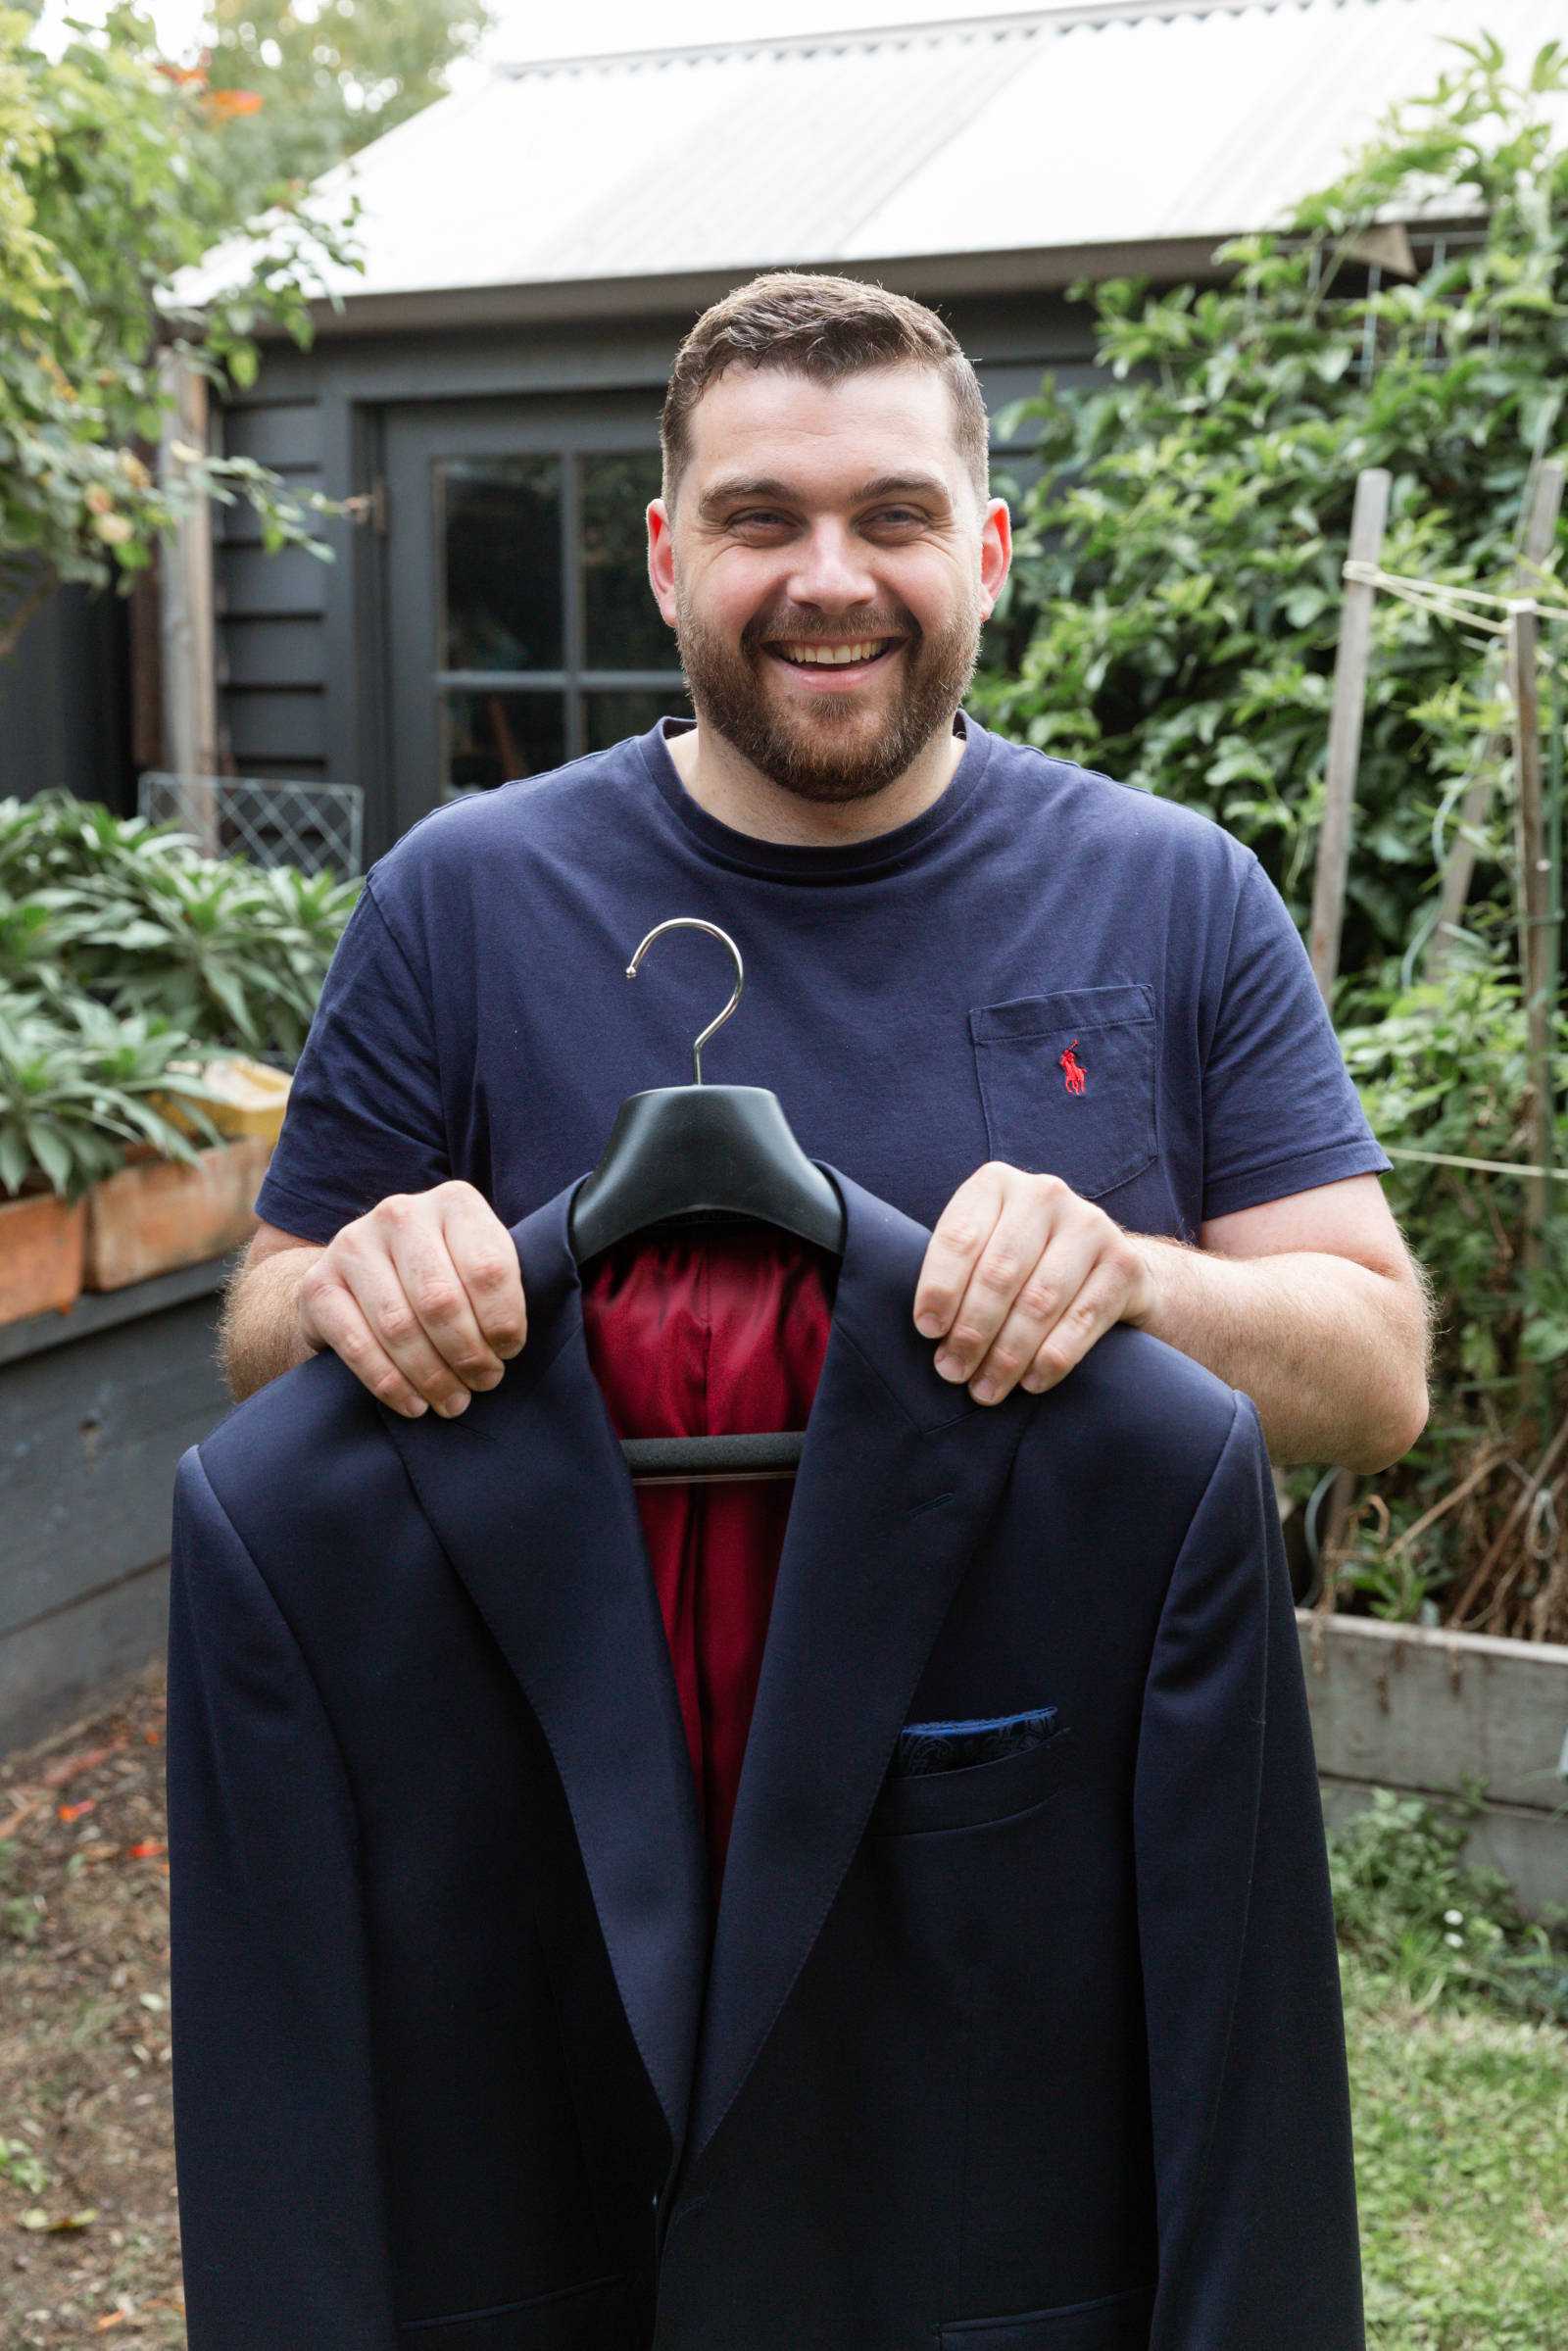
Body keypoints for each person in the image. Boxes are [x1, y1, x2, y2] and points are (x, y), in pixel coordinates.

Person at [220, 269, 1432, 1476]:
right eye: (759, 519)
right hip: (578, 1665)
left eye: (896, 516)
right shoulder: (461, 897)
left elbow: (1379, 1384)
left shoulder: (1177, 891)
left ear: (990, 554)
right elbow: (261, 1341)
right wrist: (352, 1287)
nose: (831, 580)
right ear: (664, 560)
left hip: (1059, 1670)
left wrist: (1140, 1283)